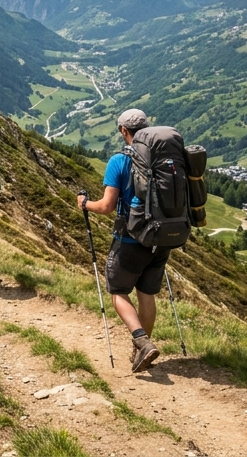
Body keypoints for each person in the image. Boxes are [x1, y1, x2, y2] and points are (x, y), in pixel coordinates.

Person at [78, 108, 166, 373]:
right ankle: (140, 349)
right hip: (160, 238)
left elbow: (106, 206)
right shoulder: (161, 158)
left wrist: (84, 204)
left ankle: (142, 342)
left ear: (123, 131)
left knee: (118, 291)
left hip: (130, 239)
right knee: (146, 294)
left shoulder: (120, 160)